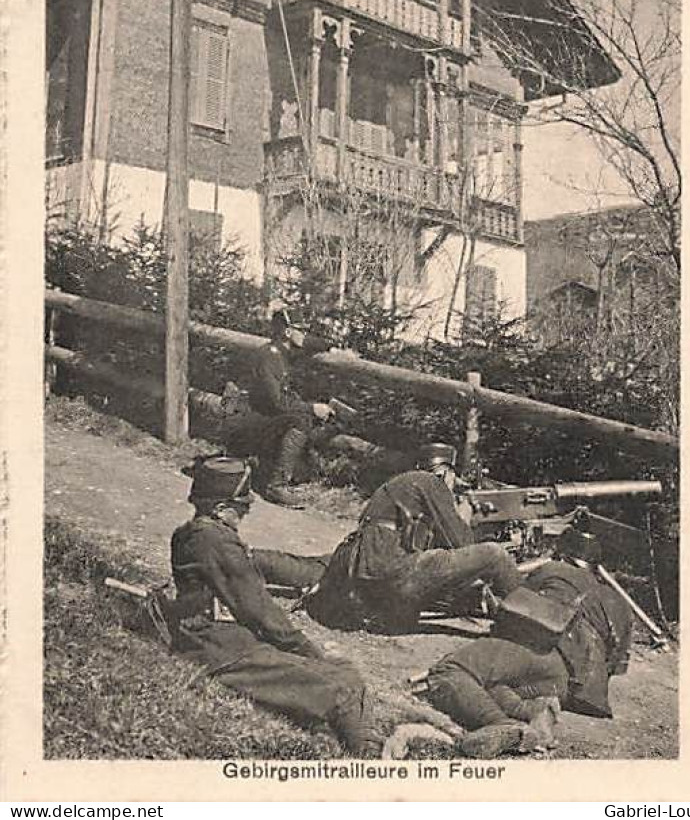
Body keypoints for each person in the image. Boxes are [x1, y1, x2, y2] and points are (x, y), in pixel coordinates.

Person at [160, 455, 383, 757]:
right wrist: (306, 648)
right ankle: (370, 761)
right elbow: (259, 611)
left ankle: (340, 734)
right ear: (221, 509)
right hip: (223, 651)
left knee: (344, 672)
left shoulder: (189, 534)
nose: (248, 509)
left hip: (216, 641)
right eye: (242, 506)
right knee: (344, 686)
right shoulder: (217, 541)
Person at [420, 527, 634, 758]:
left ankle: (504, 726)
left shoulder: (553, 569)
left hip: (543, 651)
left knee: (450, 671)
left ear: (562, 554)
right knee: (488, 685)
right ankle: (534, 711)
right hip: (576, 688)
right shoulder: (619, 603)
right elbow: (616, 665)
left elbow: (514, 610)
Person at [299, 442, 524, 633]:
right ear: (446, 472)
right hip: (394, 576)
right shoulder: (430, 481)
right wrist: (464, 514)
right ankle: (534, 618)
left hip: (369, 582)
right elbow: (462, 543)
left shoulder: (396, 487)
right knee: (494, 554)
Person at [243, 304, 336, 508]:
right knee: (300, 420)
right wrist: (312, 408)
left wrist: (334, 347)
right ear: (287, 331)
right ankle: (276, 485)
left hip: (266, 416)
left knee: (310, 417)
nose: (304, 334)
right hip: (253, 418)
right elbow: (276, 402)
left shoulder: (283, 351)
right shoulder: (269, 357)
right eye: (300, 329)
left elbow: (310, 342)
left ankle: (284, 468)